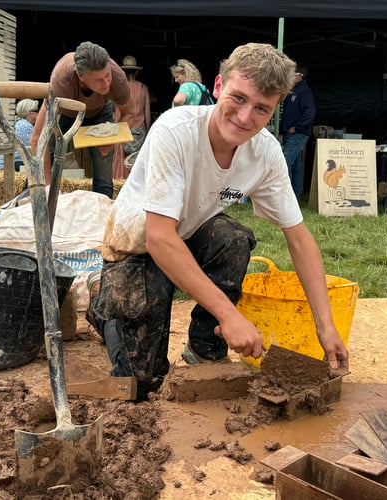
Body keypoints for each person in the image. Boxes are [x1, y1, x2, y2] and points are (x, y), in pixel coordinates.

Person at [89, 43, 349, 401]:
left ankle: (204, 348)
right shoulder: (174, 130)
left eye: (261, 109)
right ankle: (104, 310)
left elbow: (299, 238)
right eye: (239, 98)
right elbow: (160, 237)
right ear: (218, 86)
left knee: (234, 238)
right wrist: (231, 316)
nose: (245, 118)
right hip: (136, 239)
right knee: (142, 383)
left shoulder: (267, 153)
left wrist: (326, 327)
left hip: (187, 231)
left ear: (274, 110)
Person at [30, 41, 133, 198]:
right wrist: (48, 189)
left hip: (100, 112)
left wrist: (112, 139)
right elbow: (38, 140)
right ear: (80, 76)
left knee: (103, 166)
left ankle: (103, 209)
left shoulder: (117, 77)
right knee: (48, 151)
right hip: (66, 113)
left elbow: (130, 113)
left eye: (107, 76)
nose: (106, 83)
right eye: (98, 80)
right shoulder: (61, 81)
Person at [279, 64, 316, 199]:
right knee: (295, 165)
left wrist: (298, 127)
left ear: (299, 75)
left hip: (298, 133)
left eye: (292, 74)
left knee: (286, 161)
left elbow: (310, 112)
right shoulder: (293, 91)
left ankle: (286, 195)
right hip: (292, 132)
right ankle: (296, 194)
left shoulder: (304, 91)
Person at [113, 55, 152, 180]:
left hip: (122, 128)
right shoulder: (143, 88)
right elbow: (147, 114)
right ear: (136, 72)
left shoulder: (119, 89)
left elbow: (115, 111)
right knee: (136, 161)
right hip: (138, 131)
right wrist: (147, 131)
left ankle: (120, 181)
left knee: (121, 160)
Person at [0, 98, 39, 172]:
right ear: (30, 113)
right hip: (12, 163)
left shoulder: (20, 123)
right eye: (37, 111)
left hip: (10, 161)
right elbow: (35, 148)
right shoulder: (25, 126)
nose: (39, 113)